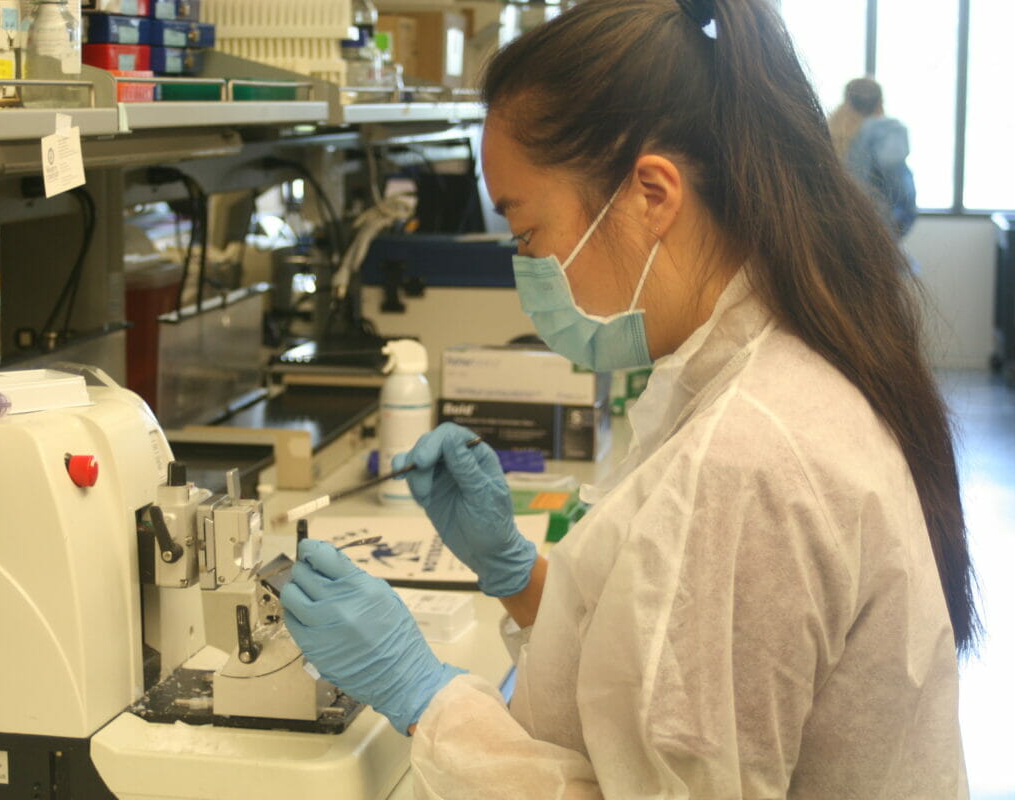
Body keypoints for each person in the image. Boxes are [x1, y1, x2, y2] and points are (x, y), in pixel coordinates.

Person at [280, 1, 977, 797]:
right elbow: (658, 676)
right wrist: (519, 577)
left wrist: (426, 700)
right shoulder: (757, 373)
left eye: (526, 234)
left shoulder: (746, 459)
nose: (530, 273)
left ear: (651, 194)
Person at [829, 77, 919, 238]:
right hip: (875, 229)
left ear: (847, 100)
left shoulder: (832, 132)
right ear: (880, 102)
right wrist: (900, 220)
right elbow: (901, 186)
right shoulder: (886, 131)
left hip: (835, 228)